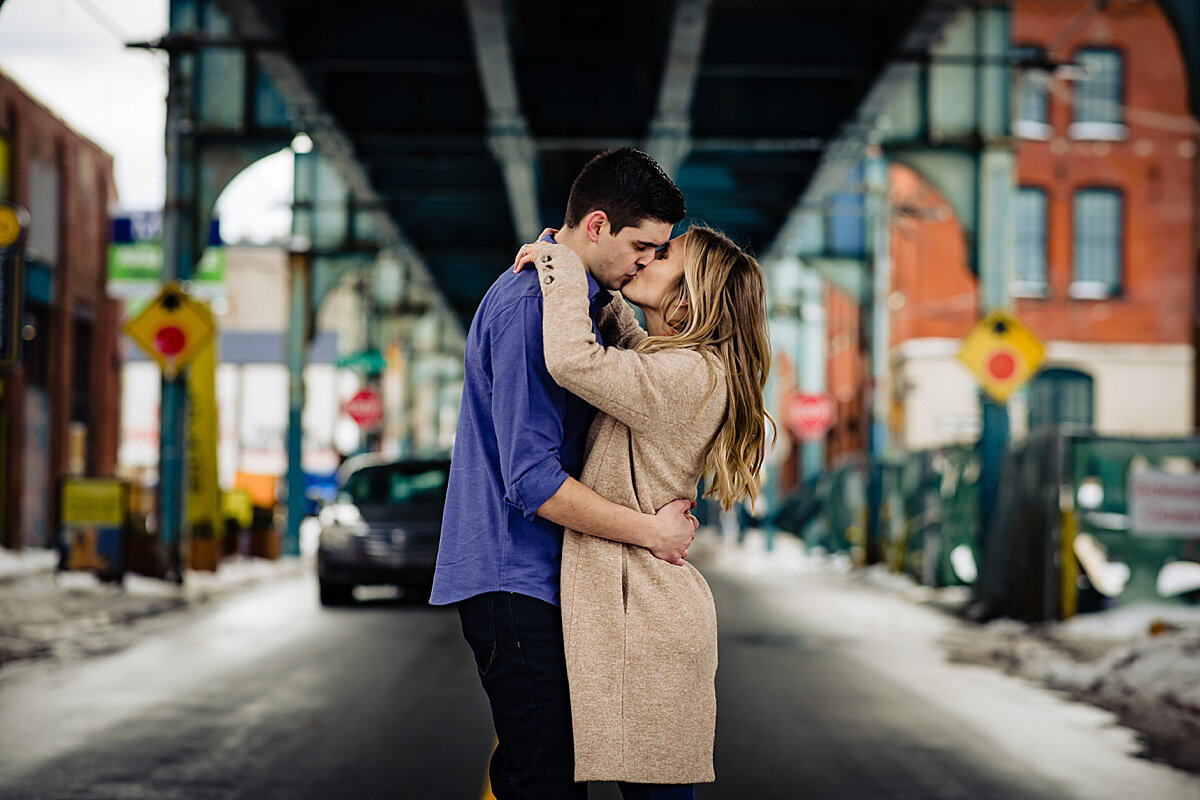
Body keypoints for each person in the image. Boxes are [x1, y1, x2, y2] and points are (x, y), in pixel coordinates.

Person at [430, 147, 698, 800]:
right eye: (642, 246)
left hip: (543, 580)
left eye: (659, 251)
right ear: (598, 225)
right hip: (514, 580)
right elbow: (532, 481)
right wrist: (650, 533)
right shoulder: (532, 308)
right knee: (542, 780)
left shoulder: (573, 303)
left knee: (552, 775)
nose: (647, 261)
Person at [513, 220, 772, 798]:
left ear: (683, 301)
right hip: (642, 606)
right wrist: (593, 277)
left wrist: (561, 263)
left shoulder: (690, 377)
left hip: (649, 614)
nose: (646, 257)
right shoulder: (684, 369)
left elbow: (575, 362)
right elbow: (628, 345)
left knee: (659, 794)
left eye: (663, 255)